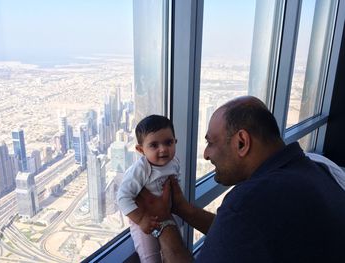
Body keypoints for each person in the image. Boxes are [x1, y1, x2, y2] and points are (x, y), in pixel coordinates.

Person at [136, 96, 345, 262]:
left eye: (211, 143)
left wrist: (162, 221)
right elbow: (241, 234)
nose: (206, 154)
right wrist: (183, 210)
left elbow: (242, 221)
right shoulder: (315, 168)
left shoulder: (250, 202)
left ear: (242, 142)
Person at [117, 114, 180, 263]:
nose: (163, 149)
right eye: (154, 145)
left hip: (166, 215)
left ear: (175, 142)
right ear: (141, 149)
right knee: (151, 259)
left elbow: (176, 183)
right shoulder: (141, 169)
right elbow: (122, 197)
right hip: (143, 222)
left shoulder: (174, 162)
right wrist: (141, 219)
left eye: (168, 142)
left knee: (170, 253)